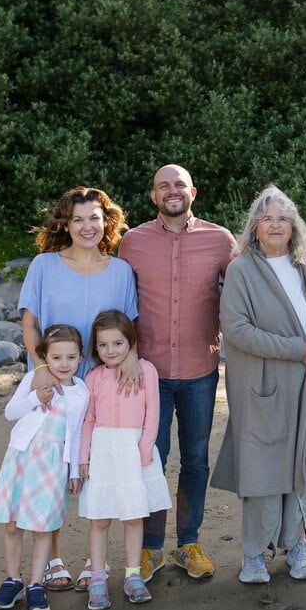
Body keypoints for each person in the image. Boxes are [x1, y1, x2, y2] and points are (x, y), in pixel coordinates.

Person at [18, 186, 141, 591]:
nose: (87, 226)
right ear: (65, 224)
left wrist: (131, 360)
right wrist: (40, 370)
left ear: (107, 222)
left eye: (94, 218)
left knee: (97, 469)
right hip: (55, 384)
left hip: (104, 387)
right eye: (78, 219)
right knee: (51, 472)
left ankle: (94, 560)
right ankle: (52, 558)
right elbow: (31, 324)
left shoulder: (121, 270)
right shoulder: (44, 265)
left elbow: (129, 327)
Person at [118, 164, 235, 581]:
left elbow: (244, 296)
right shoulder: (132, 243)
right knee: (150, 459)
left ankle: (188, 542)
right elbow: (119, 305)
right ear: (153, 196)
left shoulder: (220, 240)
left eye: (179, 185)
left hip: (200, 370)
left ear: (193, 192)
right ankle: (150, 548)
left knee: (195, 460)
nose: (172, 191)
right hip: (145, 373)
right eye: (164, 186)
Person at [211, 185, 306, 584]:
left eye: (283, 218)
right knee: (260, 466)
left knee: (298, 463)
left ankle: (296, 546)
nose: (275, 225)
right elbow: (237, 330)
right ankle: (254, 553)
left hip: (304, 383)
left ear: (294, 226)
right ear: (254, 227)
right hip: (262, 384)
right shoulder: (242, 269)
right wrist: (294, 349)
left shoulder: (304, 266)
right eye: (267, 218)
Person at [0, 325, 89, 610]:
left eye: (71, 357)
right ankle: (12, 580)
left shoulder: (81, 391)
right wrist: (36, 398)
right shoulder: (34, 378)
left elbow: (78, 433)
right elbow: (10, 412)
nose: (64, 364)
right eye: (57, 357)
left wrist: (73, 473)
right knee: (13, 522)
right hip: (22, 457)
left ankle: (35, 584)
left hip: (53, 462)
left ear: (80, 358)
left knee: (43, 526)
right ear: (45, 357)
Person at [78, 310, 173, 609]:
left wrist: (145, 448)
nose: (110, 351)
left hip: (134, 451)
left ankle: (133, 575)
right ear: (95, 347)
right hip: (103, 452)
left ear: (130, 342)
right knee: (100, 518)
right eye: (103, 345)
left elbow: (153, 413)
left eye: (117, 343)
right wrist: (84, 458)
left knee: (133, 517)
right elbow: (88, 420)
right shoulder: (93, 377)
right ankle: (97, 578)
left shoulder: (146, 370)